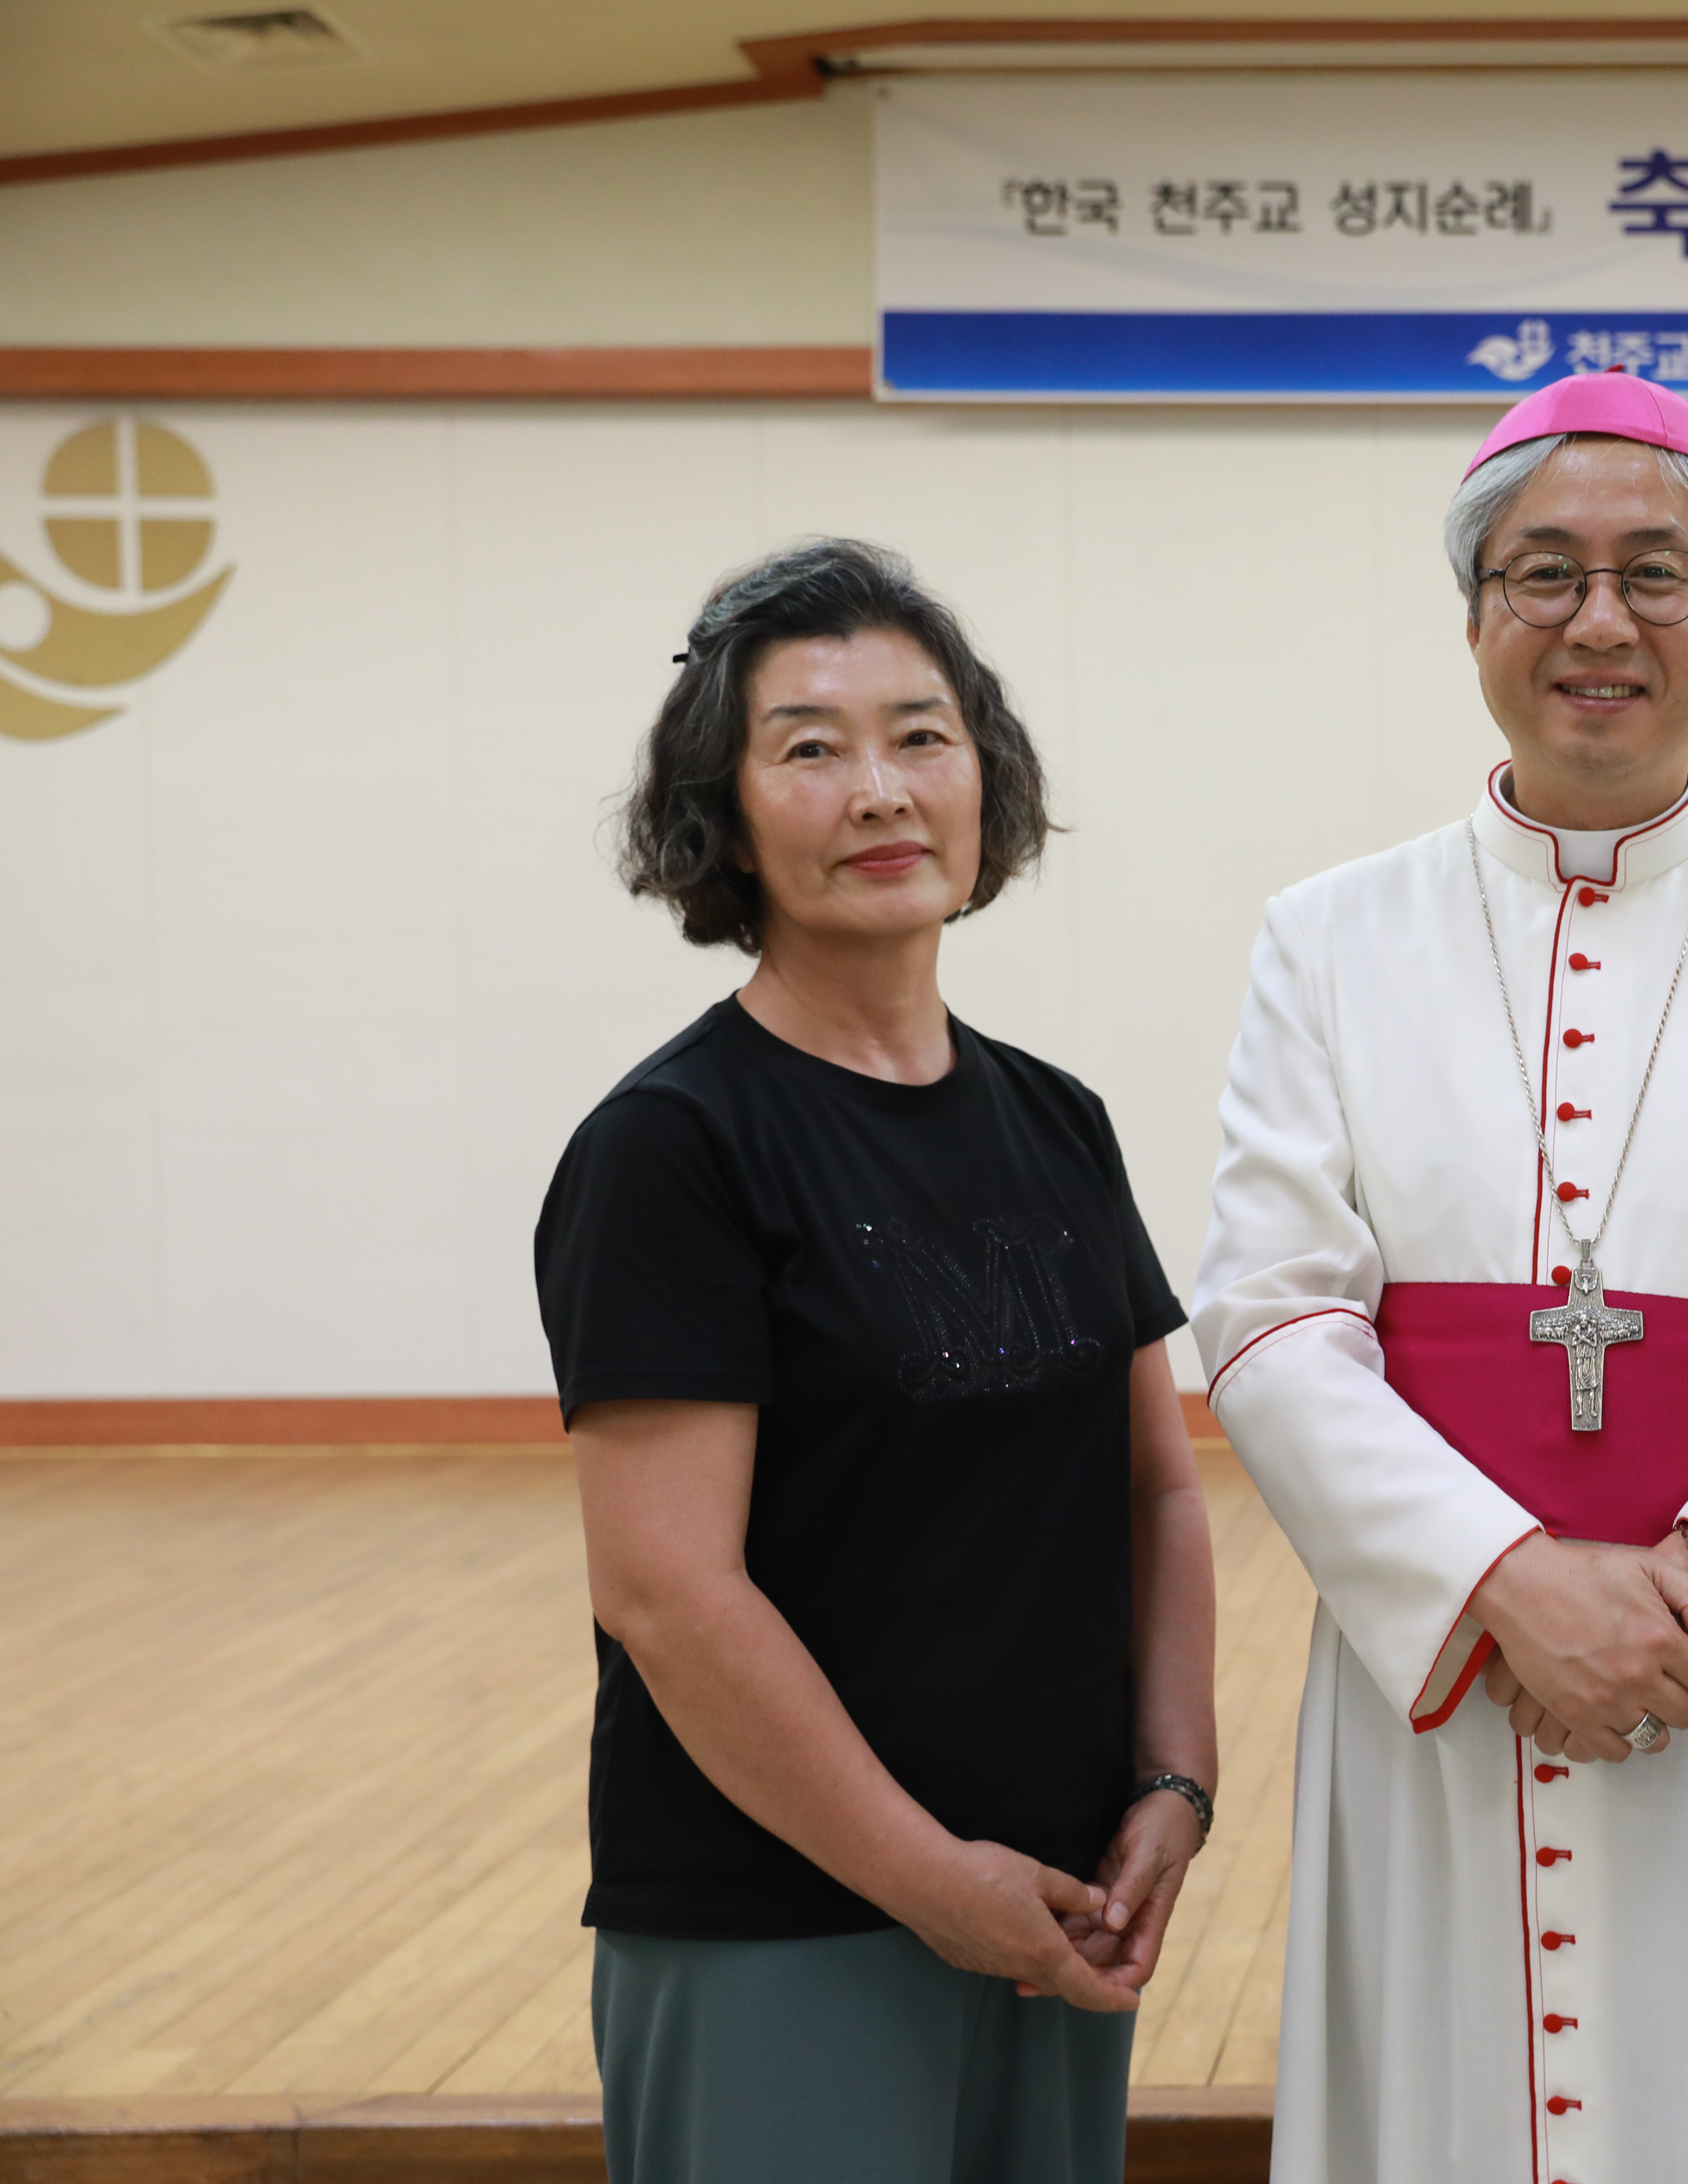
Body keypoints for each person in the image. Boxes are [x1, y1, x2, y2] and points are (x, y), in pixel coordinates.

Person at [1193, 373, 1688, 2184]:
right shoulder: (1331, 937)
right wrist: (1504, 1581)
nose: (1600, 622)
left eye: (1659, 571)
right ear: (1475, 615)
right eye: (1543, 574)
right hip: (1449, 1673)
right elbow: (1271, 1313)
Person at [533, 539, 1218, 2184]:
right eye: (810, 747)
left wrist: (1176, 1783)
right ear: (725, 810)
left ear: (987, 777)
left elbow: (1158, 1489)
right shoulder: (671, 1148)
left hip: (1060, 1907)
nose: (880, 791)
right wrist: (929, 1880)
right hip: (785, 1922)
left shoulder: (1056, 1120)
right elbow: (671, 1598)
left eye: (922, 735)